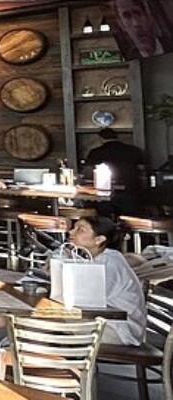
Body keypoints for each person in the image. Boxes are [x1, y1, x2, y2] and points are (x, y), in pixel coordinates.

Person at [66, 216, 145, 346]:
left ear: (99, 239)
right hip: (106, 322)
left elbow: (88, 298)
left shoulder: (110, 263)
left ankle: (75, 364)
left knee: (54, 325)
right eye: (74, 228)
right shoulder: (96, 259)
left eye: (80, 230)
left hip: (120, 331)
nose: (71, 232)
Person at [84, 128, 145, 217]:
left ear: (100, 138)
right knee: (130, 218)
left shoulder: (96, 152)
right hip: (131, 190)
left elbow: (88, 172)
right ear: (116, 136)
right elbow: (142, 168)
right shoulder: (133, 150)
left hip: (105, 193)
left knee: (105, 216)